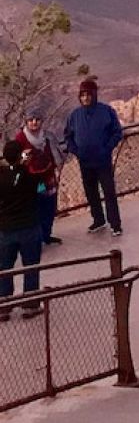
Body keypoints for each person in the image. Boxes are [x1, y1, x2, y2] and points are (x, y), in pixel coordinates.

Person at [64, 77, 124, 236]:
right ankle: (98, 220)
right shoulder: (74, 115)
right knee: (91, 193)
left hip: (103, 160)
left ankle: (115, 224)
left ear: (94, 94)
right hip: (85, 162)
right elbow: (68, 136)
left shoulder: (107, 111)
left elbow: (117, 132)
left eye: (88, 95)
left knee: (109, 192)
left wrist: (107, 148)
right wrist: (76, 150)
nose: (85, 98)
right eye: (82, 95)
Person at [0, 139, 42, 319]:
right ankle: (30, 304)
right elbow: (40, 190)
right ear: (20, 156)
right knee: (30, 265)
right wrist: (26, 165)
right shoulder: (30, 176)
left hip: (6, 228)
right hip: (28, 225)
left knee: (5, 267)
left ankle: (4, 304)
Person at [14, 112, 63, 246]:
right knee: (36, 209)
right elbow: (20, 161)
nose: (34, 122)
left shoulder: (47, 136)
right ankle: (36, 239)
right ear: (26, 122)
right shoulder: (21, 139)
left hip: (48, 177)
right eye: (31, 120)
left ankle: (46, 235)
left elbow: (56, 153)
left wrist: (56, 167)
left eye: (37, 119)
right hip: (32, 180)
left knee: (50, 206)